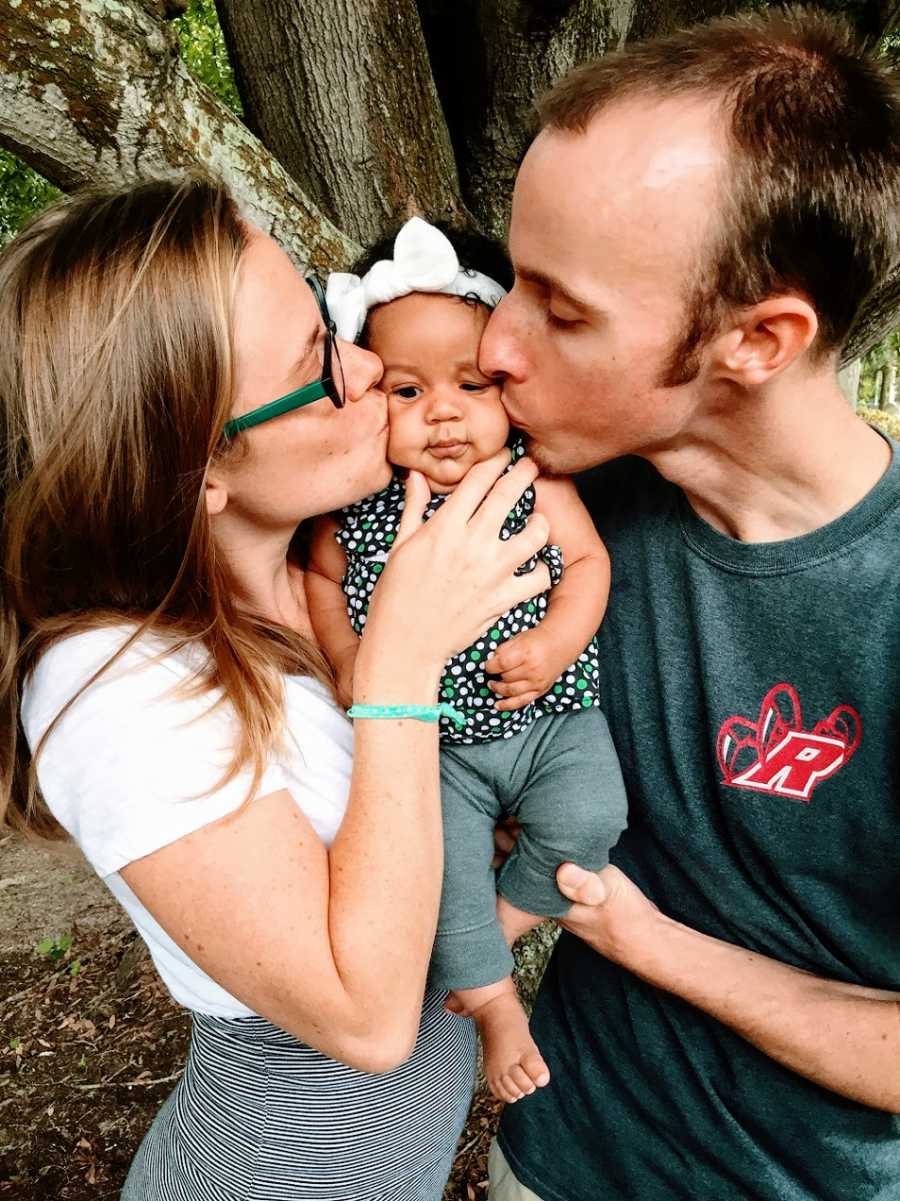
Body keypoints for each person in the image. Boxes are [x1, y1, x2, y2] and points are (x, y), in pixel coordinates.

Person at [0, 175, 553, 1201]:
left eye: (329, 323)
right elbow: (367, 1015)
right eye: (316, 363)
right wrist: (403, 663)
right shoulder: (107, 684)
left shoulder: (341, 566)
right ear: (200, 466)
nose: (366, 363)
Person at [476, 8, 900, 1201]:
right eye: (514, 279)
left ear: (757, 339)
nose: (497, 342)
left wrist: (642, 938)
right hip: (552, 1150)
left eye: (562, 311)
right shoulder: (564, 502)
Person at [306, 216, 628, 1104]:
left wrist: (558, 640)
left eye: (470, 384)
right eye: (406, 391)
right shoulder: (364, 503)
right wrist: (345, 655)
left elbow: (591, 564)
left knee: (594, 815)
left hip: (550, 714)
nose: (442, 411)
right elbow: (322, 582)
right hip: (437, 745)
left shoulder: (532, 476)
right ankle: (491, 1000)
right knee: (438, 861)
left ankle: (500, 923)